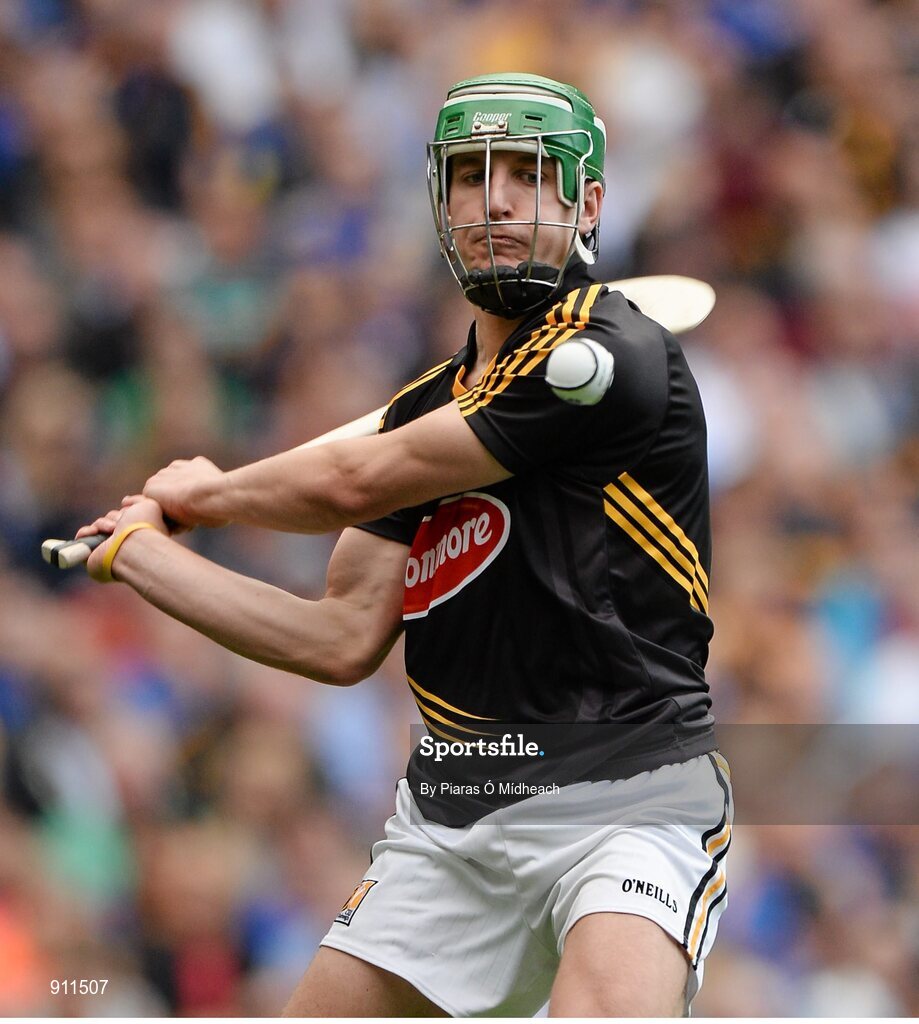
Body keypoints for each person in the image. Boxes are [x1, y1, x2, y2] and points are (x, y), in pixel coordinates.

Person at [78, 73, 731, 1017]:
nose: (495, 199)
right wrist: (141, 556)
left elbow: (349, 484)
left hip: (626, 790)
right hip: (455, 809)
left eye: (528, 173)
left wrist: (209, 495)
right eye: (470, 175)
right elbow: (338, 638)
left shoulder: (609, 357)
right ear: (440, 200)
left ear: (586, 203)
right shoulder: (423, 409)